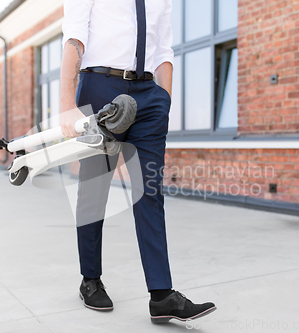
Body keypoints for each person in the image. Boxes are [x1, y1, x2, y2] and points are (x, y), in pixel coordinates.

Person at [59, 0, 216, 323]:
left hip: (148, 93)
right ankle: (90, 280)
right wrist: (65, 103)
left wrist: (164, 102)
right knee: (94, 189)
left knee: (150, 191)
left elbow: (163, 51)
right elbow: (75, 36)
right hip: (100, 87)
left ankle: (161, 295)